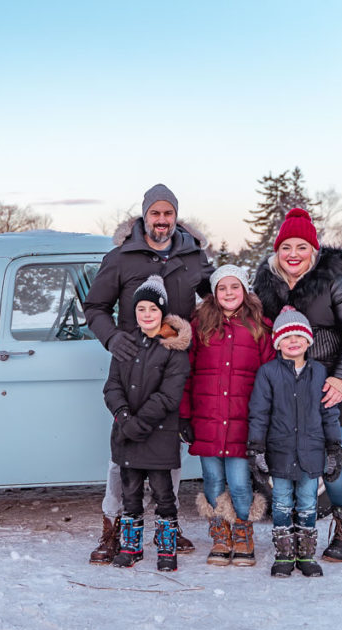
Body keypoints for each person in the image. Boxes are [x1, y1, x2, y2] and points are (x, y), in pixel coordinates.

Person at [84, 183, 215, 564]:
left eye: (168, 214)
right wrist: (111, 339)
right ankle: (113, 528)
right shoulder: (121, 257)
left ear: (176, 216)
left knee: (168, 450)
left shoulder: (193, 255)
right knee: (123, 450)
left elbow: (217, 299)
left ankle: (165, 528)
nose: (162, 221)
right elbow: (95, 306)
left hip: (174, 361)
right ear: (145, 216)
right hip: (131, 362)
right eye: (155, 214)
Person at [251, 208, 342, 562]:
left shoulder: (336, 282)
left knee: (332, 465)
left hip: (333, 387)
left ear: (314, 251)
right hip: (290, 391)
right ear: (277, 251)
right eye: (286, 246)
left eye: (301, 247)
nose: (293, 254)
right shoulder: (267, 284)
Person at [179, 265, 273, 567]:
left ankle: (243, 532)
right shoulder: (199, 325)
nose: (229, 293)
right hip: (206, 417)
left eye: (235, 287)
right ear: (214, 293)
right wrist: (185, 415)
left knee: (240, 481)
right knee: (212, 479)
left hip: (241, 419)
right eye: (222, 288)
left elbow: (270, 376)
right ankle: (220, 533)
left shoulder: (259, 326)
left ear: (244, 291)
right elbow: (187, 372)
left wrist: (265, 419)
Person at [247, 308, 342, 578]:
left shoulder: (320, 372)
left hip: (311, 453)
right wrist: (256, 447)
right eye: (287, 337)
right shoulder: (268, 373)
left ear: (308, 341)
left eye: (298, 337)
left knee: (307, 503)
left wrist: (334, 447)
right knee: (280, 502)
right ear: (278, 343)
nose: (293, 342)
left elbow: (329, 412)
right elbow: (259, 413)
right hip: (280, 450)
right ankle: (283, 555)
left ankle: (306, 555)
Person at [103, 276, 192, 571]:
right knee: (130, 494)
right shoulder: (125, 345)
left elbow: (169, 395)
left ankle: (167, 549)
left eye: (152, 309)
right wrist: (124, 418)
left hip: (159, 435)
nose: (147, 314)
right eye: (141, 308)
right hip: (126, 434)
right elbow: (112, 386)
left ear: (162, 312)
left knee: (163, 494)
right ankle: (131, 547)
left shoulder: (173, 349)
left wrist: (139, 423)